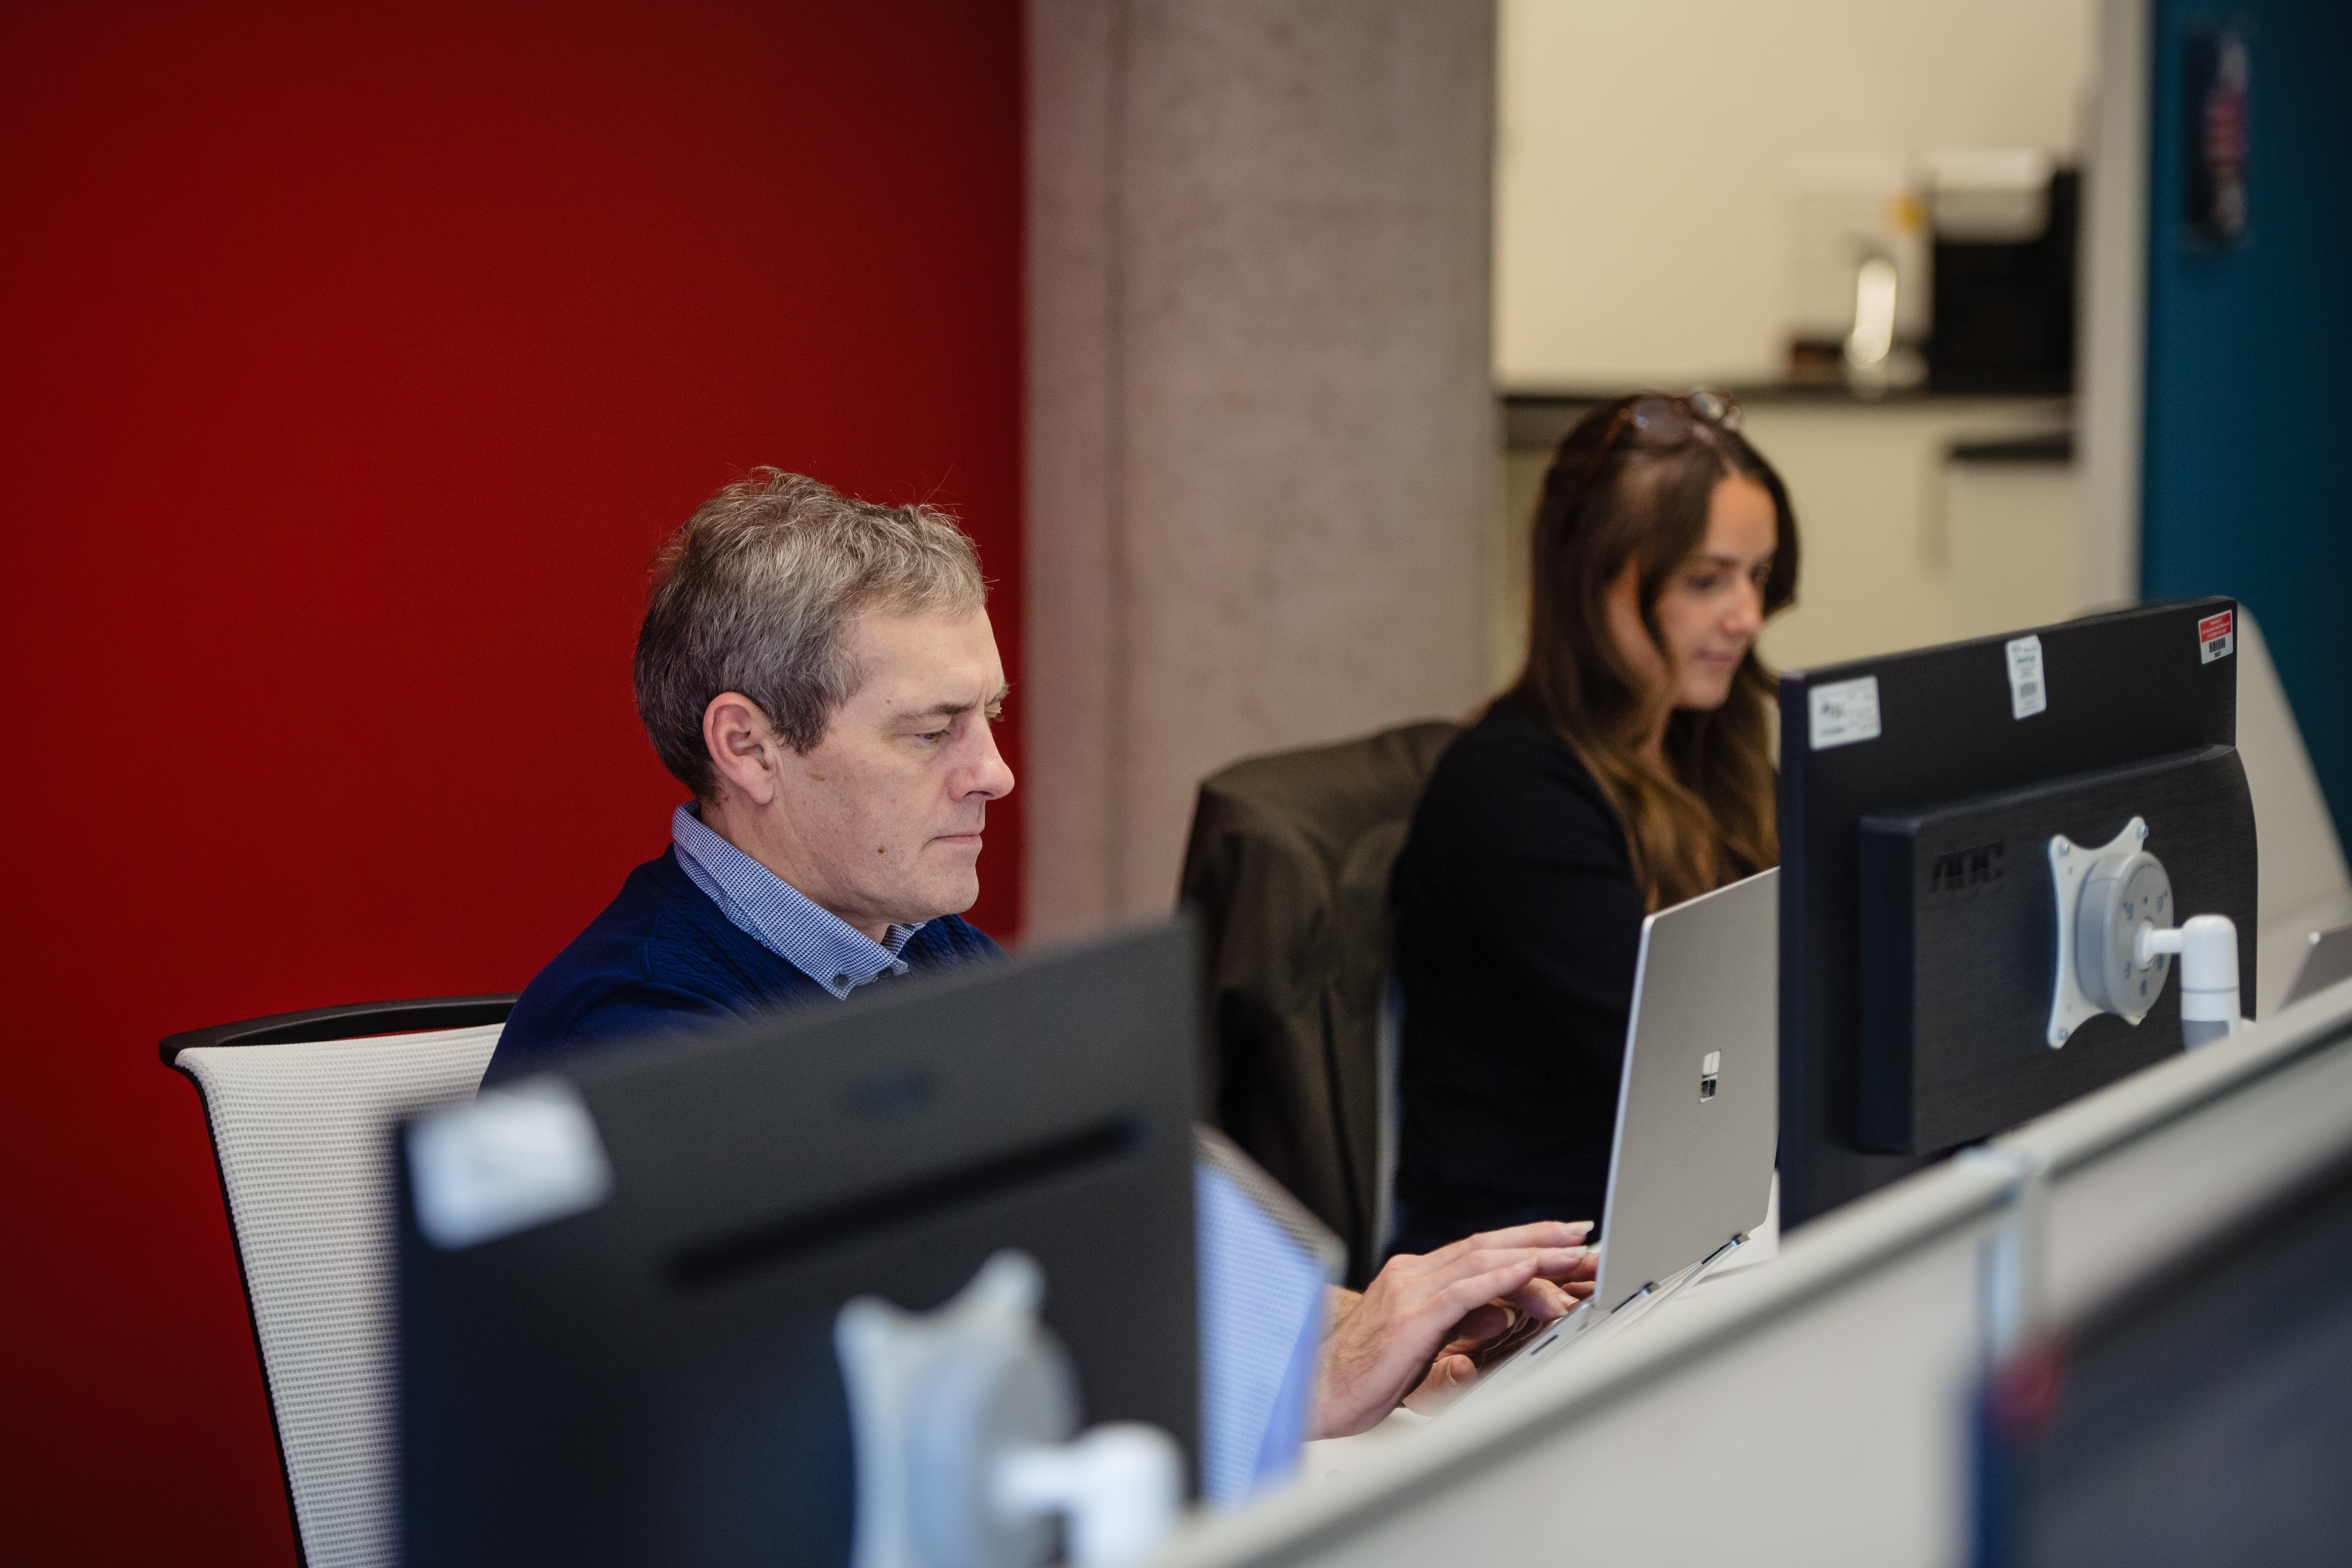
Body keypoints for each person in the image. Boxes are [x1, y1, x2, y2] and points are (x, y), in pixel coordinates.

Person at [487, 469, 1596, 1484]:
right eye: (932, 733)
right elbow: (865, 1434)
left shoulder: (920, 954)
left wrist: (1377, 1329)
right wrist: (1296, 1378)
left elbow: (1124, 1239)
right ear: (749, 747)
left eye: (991, 719)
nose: (996, 774)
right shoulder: (632, 1052)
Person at [1389, 392, 1798, 1256]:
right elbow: (1696, 1067)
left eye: (1757, 577)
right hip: (1536, 1288)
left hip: (1687, 1231)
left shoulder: (1706, 754)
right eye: (1706, 580)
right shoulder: (1511, 793)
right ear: (1592, 579)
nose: (1746, 617)